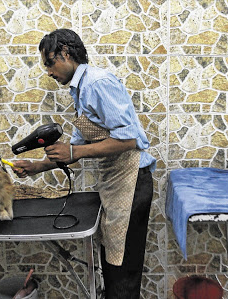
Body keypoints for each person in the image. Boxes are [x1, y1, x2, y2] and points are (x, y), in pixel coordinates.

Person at [12, 28, 156, 299]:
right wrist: (36, 166)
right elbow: (75, 148)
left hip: (132, 182)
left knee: (123, 268)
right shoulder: (81, 90)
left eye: (49, 62)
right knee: (114, 263)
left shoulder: (97, 83)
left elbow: (128, 140)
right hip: (117, 182)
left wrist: (75, 153)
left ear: (65, 53)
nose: (48, 71)